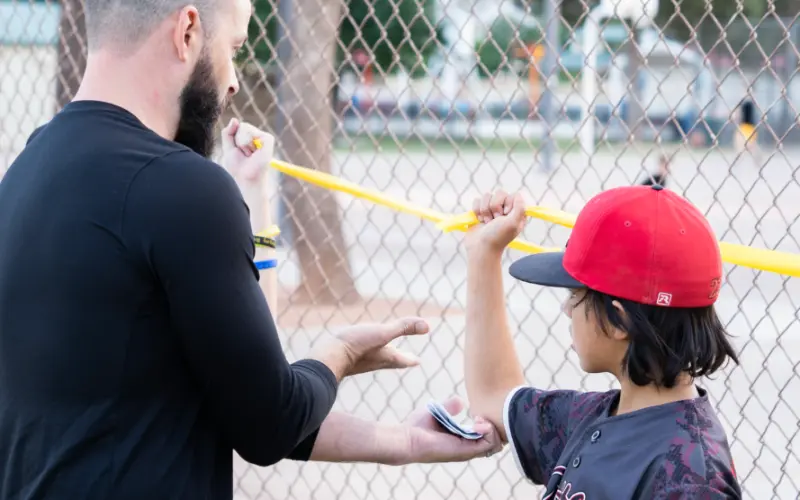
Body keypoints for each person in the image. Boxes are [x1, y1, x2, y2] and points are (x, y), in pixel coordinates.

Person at [0, 0, 501, 499]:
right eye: (234, 47)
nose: (234, 79)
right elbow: (269, 421)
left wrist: (403, 441)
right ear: (188, 30)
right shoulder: (179, 187)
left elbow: (240, 386)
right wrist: (339, 352)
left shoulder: (27, 170)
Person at [461, 185, 743, 498]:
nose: (566, 310)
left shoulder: (687, 481)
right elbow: (492, 398)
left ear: (619, 319)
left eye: (574, 295)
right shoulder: (595, 416)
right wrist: (483, 253)